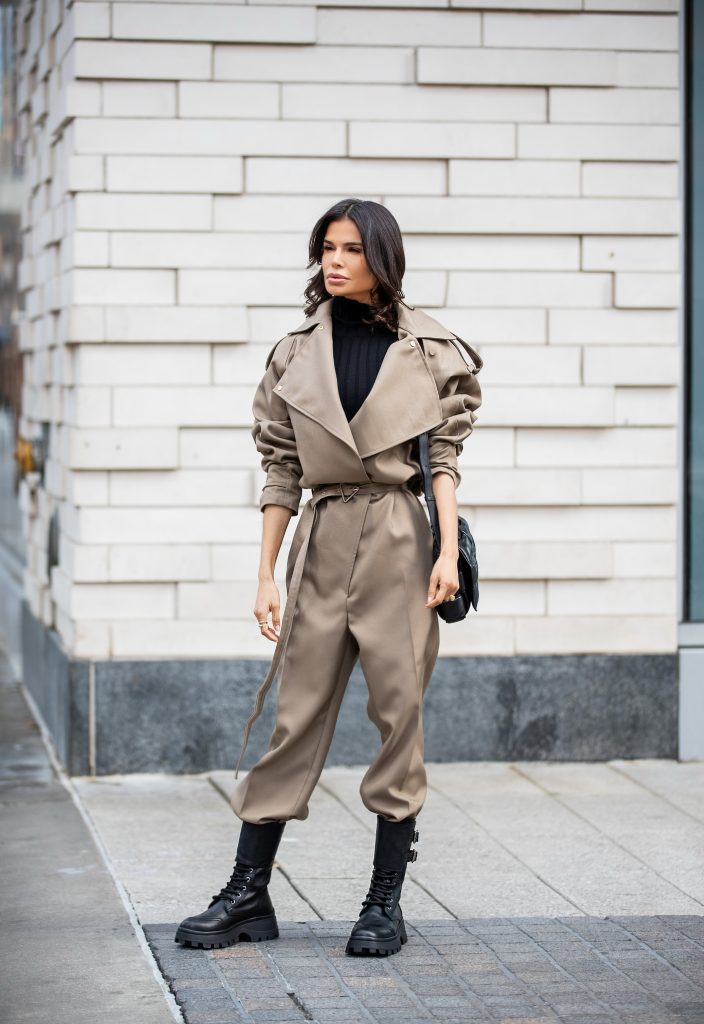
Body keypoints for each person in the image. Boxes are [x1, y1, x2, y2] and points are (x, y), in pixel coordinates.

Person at [175, 198, 483, 957]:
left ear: (383, 256)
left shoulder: (432, 348)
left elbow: (441, 459)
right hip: (320, 537)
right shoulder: (293, 352)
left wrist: (446, 551)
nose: (334, 261)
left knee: (397, 716)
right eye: (326, 249)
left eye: (350, 249)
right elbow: (280, 469)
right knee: (296, 715)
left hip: (400, 542)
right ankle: (249, 894)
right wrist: (265, 576)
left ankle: (385, 903)